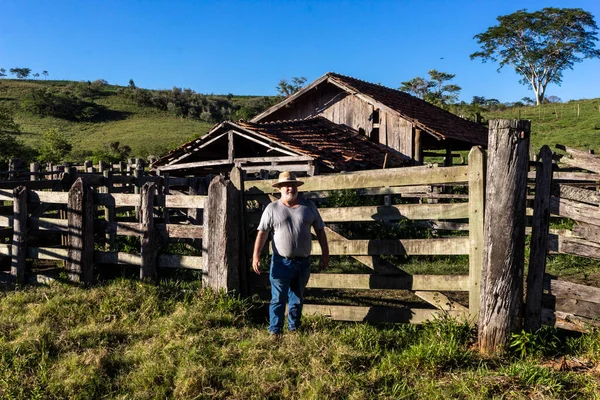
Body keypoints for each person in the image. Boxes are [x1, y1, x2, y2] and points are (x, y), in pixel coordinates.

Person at [252, 171, 329, 336]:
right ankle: (275, 332)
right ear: (279, 188)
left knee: (297, 298)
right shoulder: (272, 209)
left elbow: (320, 230)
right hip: (281, 262)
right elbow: (262, 233)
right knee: (278, 299)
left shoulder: (309, 207)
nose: (290, 188)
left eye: (292, 185)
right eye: (286, 185)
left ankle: (294, 329)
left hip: (303, 262)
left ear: (297, 187)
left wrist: (325, 254)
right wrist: (256, 255)